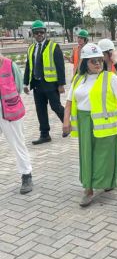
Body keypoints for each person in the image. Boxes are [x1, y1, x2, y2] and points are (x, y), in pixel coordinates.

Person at [62, 43, 117, 207]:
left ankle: (108, 181)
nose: (98, 64)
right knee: (88, 155)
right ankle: (88, 189)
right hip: (85, 123)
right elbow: (69, 102)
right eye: (93, 61)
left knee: (105, 157)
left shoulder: (110, 77)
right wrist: (66, 122)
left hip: (106, 125)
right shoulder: (78, 79)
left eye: (100, 61)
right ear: (84, 62)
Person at [23, 20, 66, 145]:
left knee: (56, 107)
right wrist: (25, 83)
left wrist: (61, 84)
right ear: (33, 34)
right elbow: (28, 66)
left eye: (41, 32)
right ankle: (44, 134)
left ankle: (68, 124)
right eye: (36, 32)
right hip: (37, 85)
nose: (39, 34)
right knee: (40, 110)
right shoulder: (31, 48)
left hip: (50, 84)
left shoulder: (53, 46)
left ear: (45, 33)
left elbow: (60, 67)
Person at [0, 54, 33, 193]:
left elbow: (18, 87)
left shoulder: (10, 65)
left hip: (10, 110)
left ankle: (26, 174)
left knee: (18, 143)